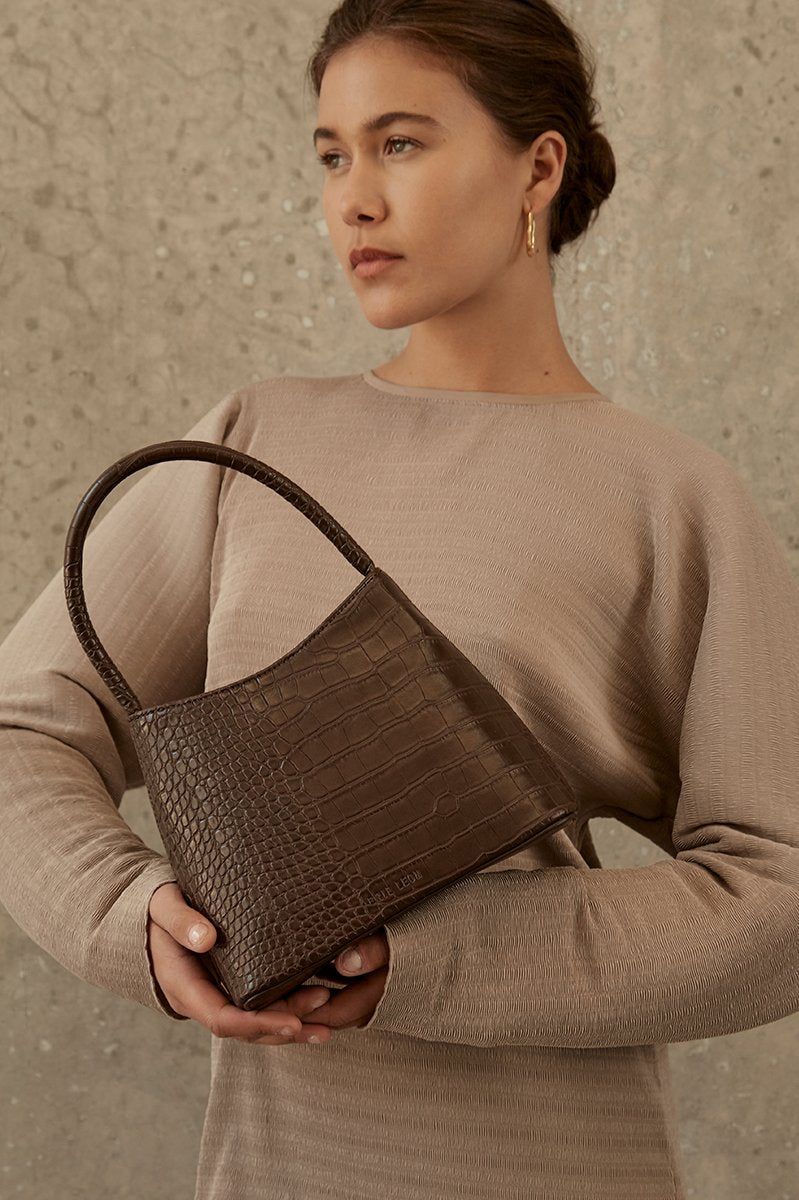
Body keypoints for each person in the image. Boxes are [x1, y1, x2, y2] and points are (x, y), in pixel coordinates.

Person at [1, 1, 797, 1198]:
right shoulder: (255, 443)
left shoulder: (668, 496)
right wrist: (132, 918)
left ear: (538, 168)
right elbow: (22, 725)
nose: (354, 200)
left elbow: (779, 896)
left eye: (401, 143)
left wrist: (425, 957)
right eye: (332, 155)